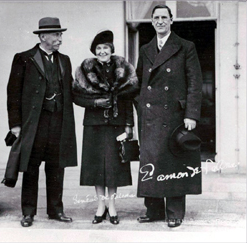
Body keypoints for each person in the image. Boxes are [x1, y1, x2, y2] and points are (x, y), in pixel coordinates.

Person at [135, 5, 203, 228]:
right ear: (152, 22)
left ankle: (174, 212)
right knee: (151, 161)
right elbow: (138, 83)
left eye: (164, 17)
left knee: (174, 162)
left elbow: (194, 83)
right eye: (156, 18)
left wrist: (191, 114)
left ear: (172, 20)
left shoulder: (185, 47)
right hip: (150, 116)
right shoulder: (145, 48)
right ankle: (153, 210)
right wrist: (139, 107)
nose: (160, 21)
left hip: (175, 115)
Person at [6, 17, 77, 227]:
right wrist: (16, 124)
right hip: (33, 123)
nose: (60, 38)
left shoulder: (64, 60)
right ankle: (28, 212)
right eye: (56, 34)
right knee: (30, 167)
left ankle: (56, 210)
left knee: (56, 168)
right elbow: (13, 94)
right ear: (42, 36)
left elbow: (71, 90)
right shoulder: (23, 58)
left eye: (60, 34)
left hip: (58, 123)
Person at [72, 30, 139, 225]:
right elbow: (77, 96)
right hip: (94, 125)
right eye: (99, 48)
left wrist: (129, 126)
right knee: (96, 167)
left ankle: (112, 205)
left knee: (114, 167)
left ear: (111, 49)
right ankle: (101, 206)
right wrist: (96, 103)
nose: (102, 51)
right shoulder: (85, 70)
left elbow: (128, 98)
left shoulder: (123, 68)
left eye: (106, 48)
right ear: (95, 51)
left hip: (116, 125)